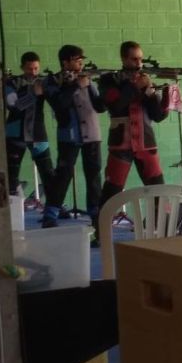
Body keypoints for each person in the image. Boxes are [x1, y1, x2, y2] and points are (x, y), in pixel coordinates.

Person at [96, 42, 169, 238]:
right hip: (121, 143)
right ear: (123, 59)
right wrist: (133, 86)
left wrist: (149, 92)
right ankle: (100, 232)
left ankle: (161, 230)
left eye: (140, 59)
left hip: (146, 142)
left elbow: (159, 116)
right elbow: (115, 104)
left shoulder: (145, 80)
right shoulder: (108, 80)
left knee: (158, 190)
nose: (139, 63)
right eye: (134, 59)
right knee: (112, 190)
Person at [41, 45, 106, 229]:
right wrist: (76, 85)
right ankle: (50, 214)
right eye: (76, 59)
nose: (80, 63)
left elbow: (100, 107)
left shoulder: (86, 79)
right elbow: (59, 104)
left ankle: (96, 216)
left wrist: (106, 92)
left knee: (93, 176)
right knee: (63, 175)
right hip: (68, 135)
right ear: (65, 62)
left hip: (92, 134)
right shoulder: (52, 81)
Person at [4, 52, 55, 198]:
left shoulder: (43, 82)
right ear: (22, 67)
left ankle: (54, 206)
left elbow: (57, 103)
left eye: (36, 68)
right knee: (11, 175)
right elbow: (13, 106)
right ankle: (10, 211)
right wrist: (33, 93)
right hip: (15, 133)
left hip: (37, 133)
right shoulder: (11, 83)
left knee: (48, 173)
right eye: (29, 69)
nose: (33, 72)